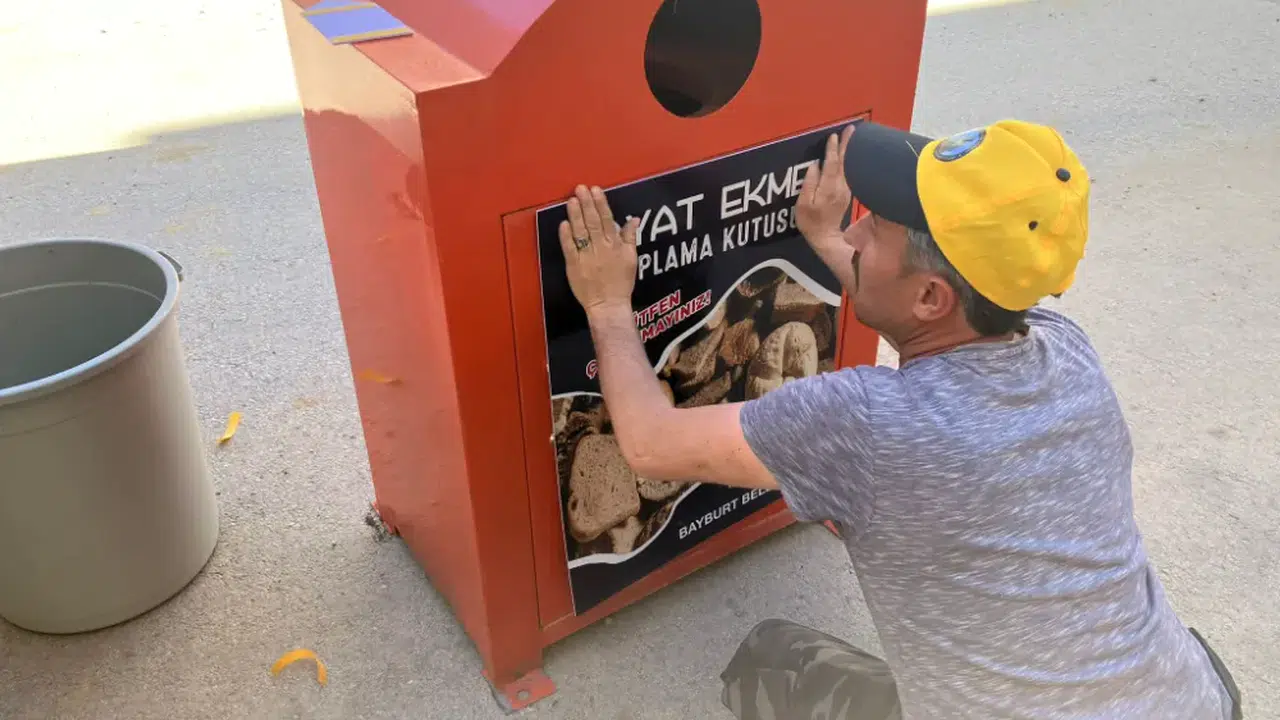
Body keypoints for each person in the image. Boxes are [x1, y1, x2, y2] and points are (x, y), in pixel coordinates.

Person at [554, 119, 1242, 719]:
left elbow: (649, 444)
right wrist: (824, 240)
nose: (854, 231)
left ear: (932, 296)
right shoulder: (1065, 349)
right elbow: (927, 319)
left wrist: (608, 305)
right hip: (1188, 700)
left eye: (874, 229)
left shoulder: (869, 424)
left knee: (771, 660)